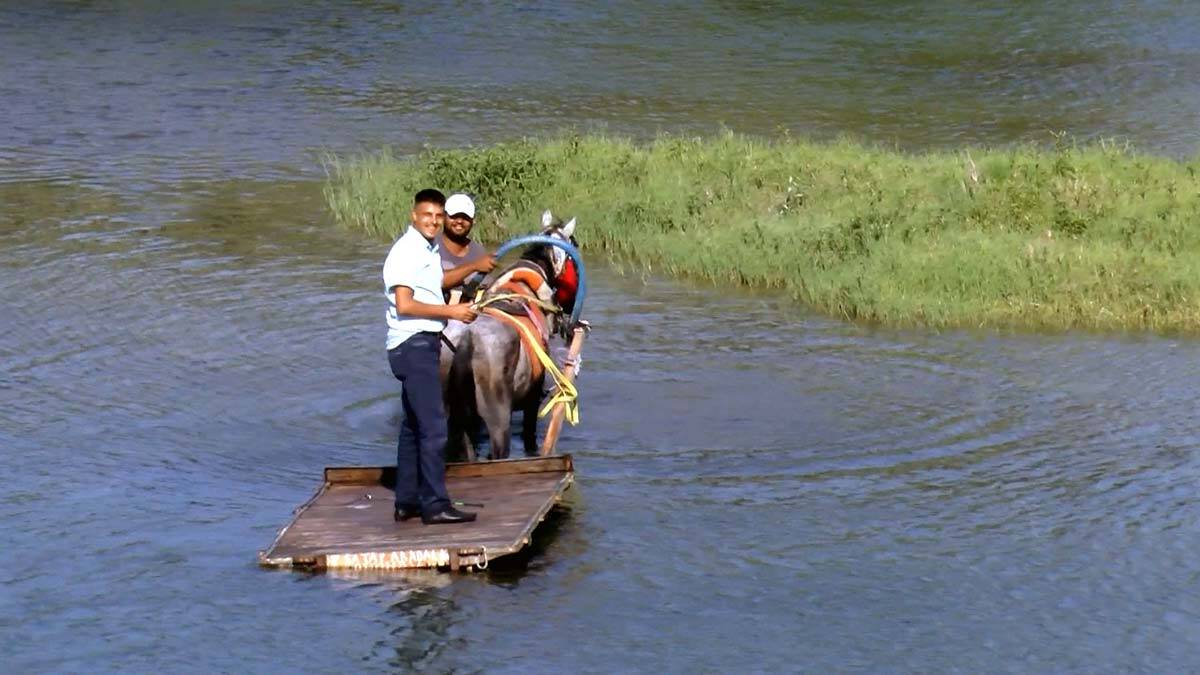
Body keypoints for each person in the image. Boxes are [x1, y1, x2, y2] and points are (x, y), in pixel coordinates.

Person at [382, 188, 478, 525]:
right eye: (428, 216)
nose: (434, 222)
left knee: (413, 426)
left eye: (439, 217)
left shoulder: (428, 247)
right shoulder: (405, 251)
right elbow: (405, 304)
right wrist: (451, 311)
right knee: (436, 428)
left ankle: (406, 501)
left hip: (418, 343)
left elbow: (436, 281)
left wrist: (472, 268)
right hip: (413, 344)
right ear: (414, 215)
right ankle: (435, 505)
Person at [436, 193, 496, 303]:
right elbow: (436, 282)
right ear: (443, 216)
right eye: (454, 216)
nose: (459, 221)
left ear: (472, 221)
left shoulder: (479, 252)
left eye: (465, 218)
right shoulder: (430, 247)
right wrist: (474, 266)